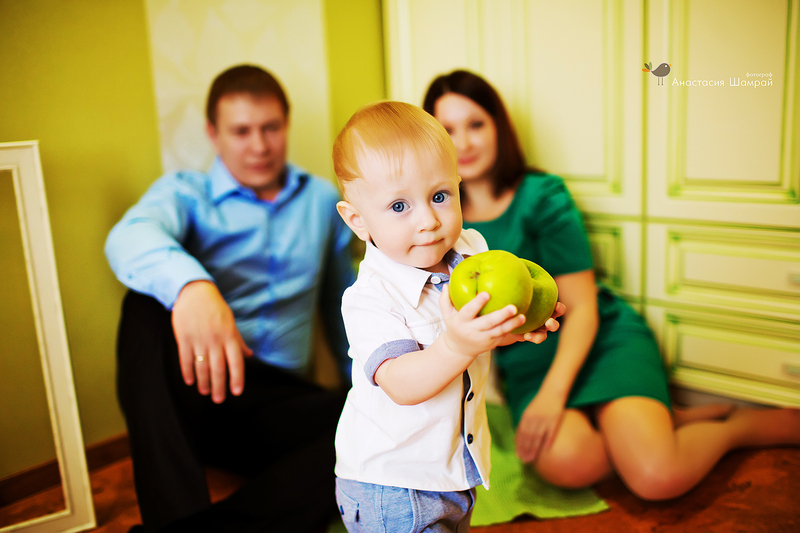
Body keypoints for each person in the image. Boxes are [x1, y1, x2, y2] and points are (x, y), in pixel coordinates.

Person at [422, 69, 800, 501]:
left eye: (475, 124)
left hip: (597, 337)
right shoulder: (437, 220)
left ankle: (736, 428)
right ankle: (658, 423)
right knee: (569, 463)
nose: (464, 142)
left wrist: (553, 396)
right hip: (528, 360)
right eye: (448, 130)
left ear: (499, 127)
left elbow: (582, 307)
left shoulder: (542, 195)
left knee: (657, 476)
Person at [105, 64, 354, 533]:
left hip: (279, 401)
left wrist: (365, 384)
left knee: (374, 424)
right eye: (241, 131)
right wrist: (193, 288)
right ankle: (174, 513)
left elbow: (342, 305)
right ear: (212, 133)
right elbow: (127, 237)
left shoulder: (323, 201)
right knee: (144, 306)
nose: (259, 146)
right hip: (200, 397)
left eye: (270, 128)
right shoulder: (185, 193)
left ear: (287, 124)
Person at [330, 101, 564, 532]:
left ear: (459, 187)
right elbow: (400, 383)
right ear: (358, 220)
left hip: (453, 470)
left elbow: (474, 337)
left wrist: (510, 327)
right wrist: (457, 345)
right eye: (399, 207)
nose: (429, 221)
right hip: (392, 485)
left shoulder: (472, 253)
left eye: (440, 196)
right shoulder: (369, 298)